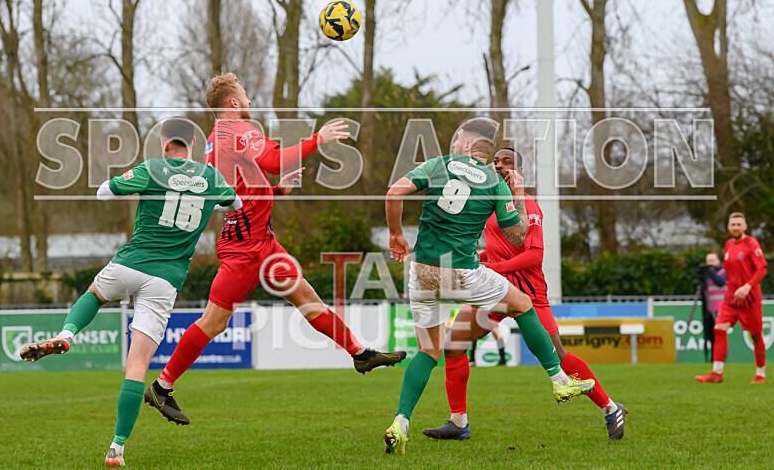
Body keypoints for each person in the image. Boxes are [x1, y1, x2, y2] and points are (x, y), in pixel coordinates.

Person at [144, 73, 406, 425]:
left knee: (307, 298)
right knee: (214, 321)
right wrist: (319, 139)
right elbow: (272, 161)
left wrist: (274, 192)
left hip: (259, 240)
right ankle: (161, 388)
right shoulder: (239, 130)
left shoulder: (213, 140)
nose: (251, 101)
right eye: (246, 94)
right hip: (244, 247)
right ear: (233, 103)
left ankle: (360, 353)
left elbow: (229, 189)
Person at [19, 118, 243, 466]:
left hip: (130, 264)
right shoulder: (212, 178)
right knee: (137, 365)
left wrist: (134, 182)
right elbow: (236, 205)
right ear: (193, 145)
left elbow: (104, 191)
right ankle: (117, 448)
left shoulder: (154, 168)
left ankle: (67, 335)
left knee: (94, 295)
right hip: (165, 280)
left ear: (165, 143)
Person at [381, 119, 594, 455]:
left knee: (429, 351)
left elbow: (394, 194)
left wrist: (395, 235)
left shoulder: (437, 165)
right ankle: (558, 380)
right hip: (464, 273)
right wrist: (518, 193)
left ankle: (400, 422)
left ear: (467, 145)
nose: (453, 146)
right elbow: (517, 235)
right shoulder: (496, 182)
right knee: (523, 304)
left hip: (422, 273)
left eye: (456, 141)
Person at [422, 147, 626, 443]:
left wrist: (495, 265)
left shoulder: (529, 205)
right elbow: (492, 251)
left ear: (519, 171)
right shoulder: (491, 203)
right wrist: (473, 257)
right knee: (454, 345)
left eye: (508, 163)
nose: (500, 166)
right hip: (492, 289)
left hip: (528, 293)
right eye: (497, 162)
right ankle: (458, 421)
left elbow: (534, 256)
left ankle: (610, 408)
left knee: (558, 355)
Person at [696, 213, 768, 384]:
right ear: (728, 227)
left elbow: (762, 268)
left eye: (738, 224)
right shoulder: (728, 245)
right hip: (731, 298)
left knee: (756, 336)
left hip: (750, 298)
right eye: (732, 224)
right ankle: (717, 372)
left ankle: (760, 374)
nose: (735, 227)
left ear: (745, 226)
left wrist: (747, 286)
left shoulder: (751, 244)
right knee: (719, 329)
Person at [705, 252, 727, 318]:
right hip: (709, 307)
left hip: (722, 307)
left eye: (712, 260)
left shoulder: (724, 270)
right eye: (708, 261)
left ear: (718, 260)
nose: (710, 263)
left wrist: (711, 271)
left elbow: (720, 282)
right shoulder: (707, 273)